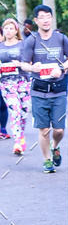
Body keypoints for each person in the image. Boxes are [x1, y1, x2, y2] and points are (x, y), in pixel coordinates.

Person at [20, 4, 68, 173]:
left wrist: (62, 68)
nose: (45, 20)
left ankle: (55, 146)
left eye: (48, 16)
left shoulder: (61, 38)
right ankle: (47, 160)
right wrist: (33, 68)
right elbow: (24, 64)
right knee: (44, 129)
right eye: (42, 17)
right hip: (39, 91)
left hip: (58, 90)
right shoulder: (31, 40)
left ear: (52, 18)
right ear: (36, 20)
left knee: (58, 129)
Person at [0, 18, 30, 154]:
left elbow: (29, 62)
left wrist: (21, 64)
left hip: (22, 81)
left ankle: (21, 135)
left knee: (24, 111)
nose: (8, 31)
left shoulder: (23, 45)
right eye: (6, 28)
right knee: (15, 110)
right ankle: (17, 141)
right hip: (6, 83)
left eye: (11, 28)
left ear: (16, 30)